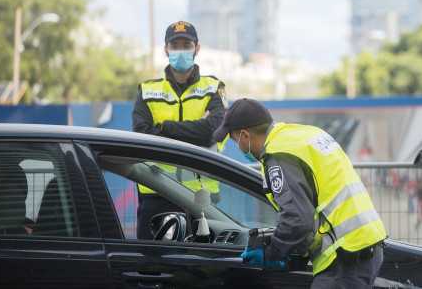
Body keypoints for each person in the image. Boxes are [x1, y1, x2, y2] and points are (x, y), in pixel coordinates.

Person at [212, 98, 387, 288]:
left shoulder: (278, 153)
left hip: (344, 255)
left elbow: (297, 219)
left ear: (244, 135)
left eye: (234, 139)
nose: (238, 146)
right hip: (362, 243)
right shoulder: (305, 134)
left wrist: (272, 252)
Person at [131, 20, 228, 239]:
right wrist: (197, 130)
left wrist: (164, 127)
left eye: (186, 44)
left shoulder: (214, 87)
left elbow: (212, 131)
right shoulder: (147, 91)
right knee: (152, 266)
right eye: (175, 46)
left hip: (202, 197)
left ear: (197, 49)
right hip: (156, 189)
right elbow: (142, 136)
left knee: (207, 265)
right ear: (166, 50)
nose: (181, 50)